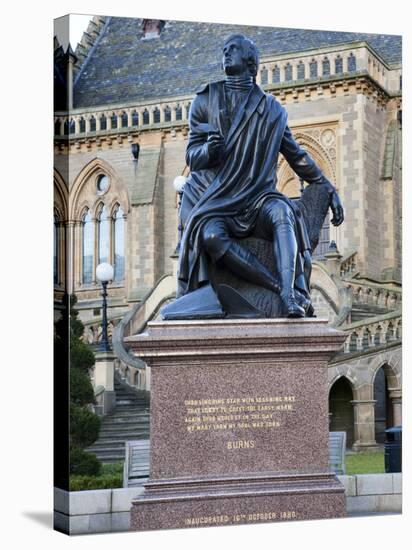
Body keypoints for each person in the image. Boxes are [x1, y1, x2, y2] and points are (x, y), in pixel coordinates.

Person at [177, 34, 344, 318]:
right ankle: (280, 286)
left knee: (282, 213)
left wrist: (327, 186)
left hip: (257, 198)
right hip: (219, 200)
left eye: (233, 50)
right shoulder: (205, 101)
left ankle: (292, 294)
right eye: (224, 49)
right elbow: (192, 156)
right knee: (211, 236)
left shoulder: (271, 109)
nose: (226, 53)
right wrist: (209, 151)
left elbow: (297, 156)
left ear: (251, 62)